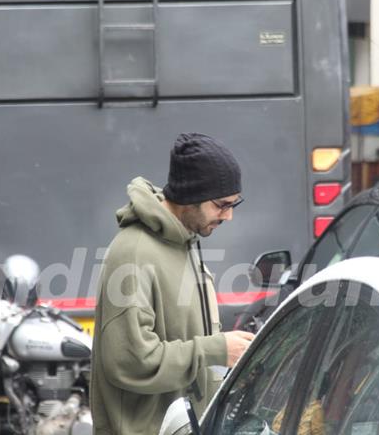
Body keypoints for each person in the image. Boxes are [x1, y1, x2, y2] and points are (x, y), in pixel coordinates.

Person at [91, 133, 256, 435]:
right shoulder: (134, 252)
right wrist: (215, 349)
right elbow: (129, 360)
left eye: (235, 204)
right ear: (191, 196)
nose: (229, 215)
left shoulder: (185, 240)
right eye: (221, 205)